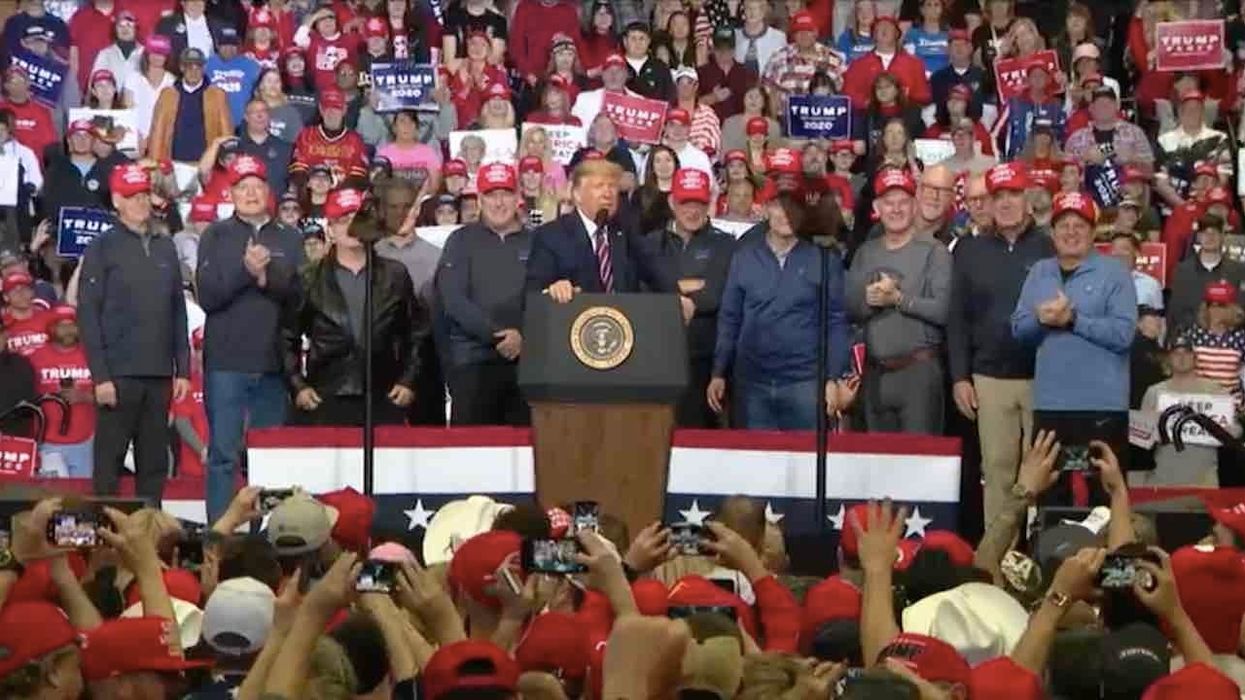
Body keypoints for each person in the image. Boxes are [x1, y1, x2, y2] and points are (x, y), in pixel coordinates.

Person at [196, 155, 303, 524]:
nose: (251, 193)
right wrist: (246, 272)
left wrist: (263, 278)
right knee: (224, 455)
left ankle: (269, 538)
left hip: (274, 364)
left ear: (269, 193)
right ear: (231, 193)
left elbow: (298, 294)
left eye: (257, 186)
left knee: (269, 457)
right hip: (226, 362)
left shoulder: (289, 237)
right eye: (243, 187)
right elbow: (208, 296)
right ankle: (219, 535)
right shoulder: (215, 235)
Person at [78, 163, 190, 503]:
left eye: (144, 195)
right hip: (118, 374)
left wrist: (182, 369)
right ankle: (104, 542)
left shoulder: (165, 246)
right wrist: (101, 377)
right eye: (132, 196)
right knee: (109, 464)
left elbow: (177, 311)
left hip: (158, 375)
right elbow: (88, 313)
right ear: (117, 200)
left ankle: (150, 539)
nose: (140, 202)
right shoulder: (102, 247)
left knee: (154, 464)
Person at [948, 163, 1054, 524]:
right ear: (988, 204)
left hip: (1043, 376)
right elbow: (957, 317)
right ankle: (997, 558)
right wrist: (960, 376)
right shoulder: (969, 250)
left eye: (1014, 194)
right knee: (996, 471)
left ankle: (1033, 557)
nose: (1006, 203)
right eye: (999, 197)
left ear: (1028, 199)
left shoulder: (1051, 246)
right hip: (989, 378)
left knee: (1040, 473)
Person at [1013, 191, 1136, 501]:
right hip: (1050, 406)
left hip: (1102, 407)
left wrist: (1073, 320)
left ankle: (1112, 551)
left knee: (1104, 498)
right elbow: (1018, 330)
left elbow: (1124, 335)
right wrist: (1042, 320)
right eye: (1063, 226)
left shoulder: (1115, 273)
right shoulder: (1040, 272)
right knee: (1049, 496)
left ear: (1094, 232)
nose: (1071, 232)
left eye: (1079, 225)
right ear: (1052, 233)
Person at [284, 189, 424, 426]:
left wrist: (408, 380)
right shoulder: (308, 278)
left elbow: (416, 333)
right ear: (330, 228)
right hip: (325, 395)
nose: (351, 227)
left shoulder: (395, 275)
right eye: (342, 220)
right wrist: (298, 385)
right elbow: (287, 336)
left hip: (384, 394)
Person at [710, 193, 851, 429]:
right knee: (756, 463)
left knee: (806, 463)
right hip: (753, 383)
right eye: (778, 206)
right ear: (765, 211)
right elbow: (730, 318)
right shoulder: (744, 257)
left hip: (806, 382)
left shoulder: (824, 259)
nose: (786, 214)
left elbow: (835, 322)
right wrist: (718, 371)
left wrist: (833, 378)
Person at [847, 169, 952, 434]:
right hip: (875, 375)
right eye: (889, 203)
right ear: (876, 208)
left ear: (914, 205)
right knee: (879, 464)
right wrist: (869, 302)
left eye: (903, 202)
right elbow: (849, 309)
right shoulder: (866, 251)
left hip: (919, 372)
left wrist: (898, 299)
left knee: (921, 463)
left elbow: (943, 311)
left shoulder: (934, 251)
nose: (896, 209)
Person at [438, 164, 531, 426]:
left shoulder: (537, 242)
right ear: (479, 200)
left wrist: (522, 334)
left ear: (517, 198)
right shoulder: (460, 241)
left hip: (526, 363)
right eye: (491, 194)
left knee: (523, 457)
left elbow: (542, 296)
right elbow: (453, 299)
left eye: (506, 193)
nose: (499, 202)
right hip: (473, 362)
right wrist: (499, 335)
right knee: (469, 456)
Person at [526, 159, 678, 301]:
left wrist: (679, 299)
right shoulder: (551, 236)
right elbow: (534, 291)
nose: (608, 194)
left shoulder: (627, 233)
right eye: (599, 186)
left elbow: (658, 276)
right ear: (577, 194)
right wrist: (554, 289)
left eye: (612, 187)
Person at [654, 169, 735, 428]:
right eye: (685, 203)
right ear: (671, 202)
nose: (692, 211)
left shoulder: (725, 245)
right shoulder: (651, 244)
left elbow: (714, 294)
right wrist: (683, 291)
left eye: (699, 203)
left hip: (705, 364)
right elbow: (644, 293)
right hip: (658, 363)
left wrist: (672, 289)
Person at [374, 178, 442, 426]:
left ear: (417, 210)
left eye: (408, 206)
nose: (402, 213)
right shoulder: (372, 255)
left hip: (427, 360)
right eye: (394, 207)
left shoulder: (437, 257)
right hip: (381, 361)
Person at [1139, 335, 1237, 487]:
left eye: (1187, 353)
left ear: (1195, 358)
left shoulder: (1215, 390)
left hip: (1205, 481)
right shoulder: (1154, 392)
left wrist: (1223, 429)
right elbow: (1140, 440)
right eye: (1176, 353)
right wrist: (1151, 423)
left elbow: (1235, 433)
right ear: (1169, 358)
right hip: (1163, 480)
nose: (1182, 358)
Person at [27, 305, 94, 478]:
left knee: (82, 498)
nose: (68, 330)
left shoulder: (94, 356)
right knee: (52, 498)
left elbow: (112, 393)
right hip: (47, 441)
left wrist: (85, 396)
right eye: (62, 325)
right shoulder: (34, 357)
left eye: (72, 324)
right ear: (51, 328)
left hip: (85, 440)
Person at [148, 47, 234, 165]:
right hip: (174, 163)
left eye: (198, 67)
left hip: (207, 164)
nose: (194, 71)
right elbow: (158, 130)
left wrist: (227, 159)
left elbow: (226, 131)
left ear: (203, 68)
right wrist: (155, 163)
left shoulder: (217, 95)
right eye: (189, 67)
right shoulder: (168, 94)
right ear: (182, 68)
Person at [1168, 214, 1245, 336]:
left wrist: (1223, 325)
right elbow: (1177, 311)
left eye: (1215, 233)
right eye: (1205, 233)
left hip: (1229, 338)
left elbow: (1241, 308)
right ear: (1198, 237)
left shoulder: (1238, 270)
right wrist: (1205, 326)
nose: (1210, 237)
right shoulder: (1183, 271)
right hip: (1192, 337)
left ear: (1223, 236)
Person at [203, 26, 261, 128]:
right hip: (214, 123)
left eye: (233, 45)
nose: (229, 48)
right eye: (224, 44)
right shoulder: (206, 65)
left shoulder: (251, 65)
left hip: (242, 124)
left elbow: (260, 93)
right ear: (217, 45)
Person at [236, 99, 294, 198]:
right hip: (245, 205)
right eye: (254, 112)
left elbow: (292, 181)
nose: (260, 115)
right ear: (246, 117)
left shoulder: (285, 148)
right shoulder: (236, 147)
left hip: (276, 208)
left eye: (264, 111)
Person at [698, 27, 756, 122]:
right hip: (709, 126)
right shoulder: (701, 73)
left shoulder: (747, 74)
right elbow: (690, 104)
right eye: (719, 49)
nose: (723, 53)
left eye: (728, 49)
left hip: (740, 129)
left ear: (734, 49)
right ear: (713, 49)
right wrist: (712, 98)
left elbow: (758, 104)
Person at [1109, 232, 1163, 312]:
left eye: (1124, 249)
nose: (1118, 253)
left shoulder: (1151, 284)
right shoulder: (1099, 283)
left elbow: (1158, 318)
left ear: (1137, 253)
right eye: (1114, 249)